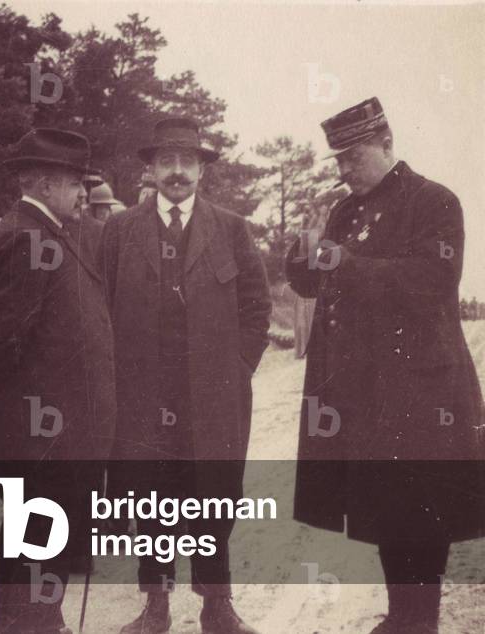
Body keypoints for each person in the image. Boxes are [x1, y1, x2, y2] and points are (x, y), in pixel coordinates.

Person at [286, 97, 485, 634]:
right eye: (339, 162)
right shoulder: (345, 212)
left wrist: (343, 262)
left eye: (354, 157)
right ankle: (402, 618)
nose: (345, 171)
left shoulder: (436, 201)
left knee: (421, 513)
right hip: (368, 390)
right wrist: (302, 247)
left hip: (423, 389)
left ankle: (419, 622)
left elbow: (429, 282)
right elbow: (309, 282)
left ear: (387, 144)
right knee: (387, 511)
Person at [102, 116, 270, 634]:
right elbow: (103, 308)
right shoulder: (120, 229)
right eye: (167, 161)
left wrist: (236, 369)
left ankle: (217, 606)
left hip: (213, 401)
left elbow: (257, 308)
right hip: (144, 400)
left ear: (201, 169)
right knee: (151, 499)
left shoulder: (232, 228)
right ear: (151, 169)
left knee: (213, 498)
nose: (177, 172)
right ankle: (156, 607)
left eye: (187, 161)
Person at [0, 128, 116, 634]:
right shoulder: (26, 236)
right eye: (73, 181)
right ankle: (30, 623)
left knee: (37, 534)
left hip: (60, 423)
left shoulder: (51, 229)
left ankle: (30, 622)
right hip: (43, 427)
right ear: (43, 182)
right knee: (40, 533)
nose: (83, 192)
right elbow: (11, 330)